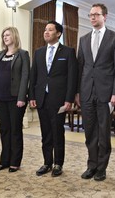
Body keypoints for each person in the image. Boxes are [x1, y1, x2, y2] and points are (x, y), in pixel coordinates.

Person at [76, 3, 115, 181]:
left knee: (103, 132)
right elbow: (80, 67)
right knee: (89, 131)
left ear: (105, 16)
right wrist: (77, 92)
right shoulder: (83, 39)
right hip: (87, 91)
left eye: (96, 14)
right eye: (90, 15)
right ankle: (91, 165)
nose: (92, 18)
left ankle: (102, 168)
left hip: (106, 93)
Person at [29, 20, 78, 177]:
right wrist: (32, 96)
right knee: (45, 133)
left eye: (50, 30)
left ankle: (58, 164)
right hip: (42, 97)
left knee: (57, 132)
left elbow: (72, 77)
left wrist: (69, 99)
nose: (46, 32)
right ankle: (47, 163)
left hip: (59, 99)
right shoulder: (39, 52)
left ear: (58, 33)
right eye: (45, 30)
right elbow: (33, 76)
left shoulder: (68, 52)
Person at [0, 27, 30, 172]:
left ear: (14, 36)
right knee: (4, 129)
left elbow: (25, 76)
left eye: (7, 35)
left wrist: (21, 97)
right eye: (3, 35)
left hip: (15, 99)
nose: (5, 37)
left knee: (15, 130)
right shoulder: (1, 54)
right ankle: (4, 160)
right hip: (0, 97)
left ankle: (15, 161)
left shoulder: (23, 54)